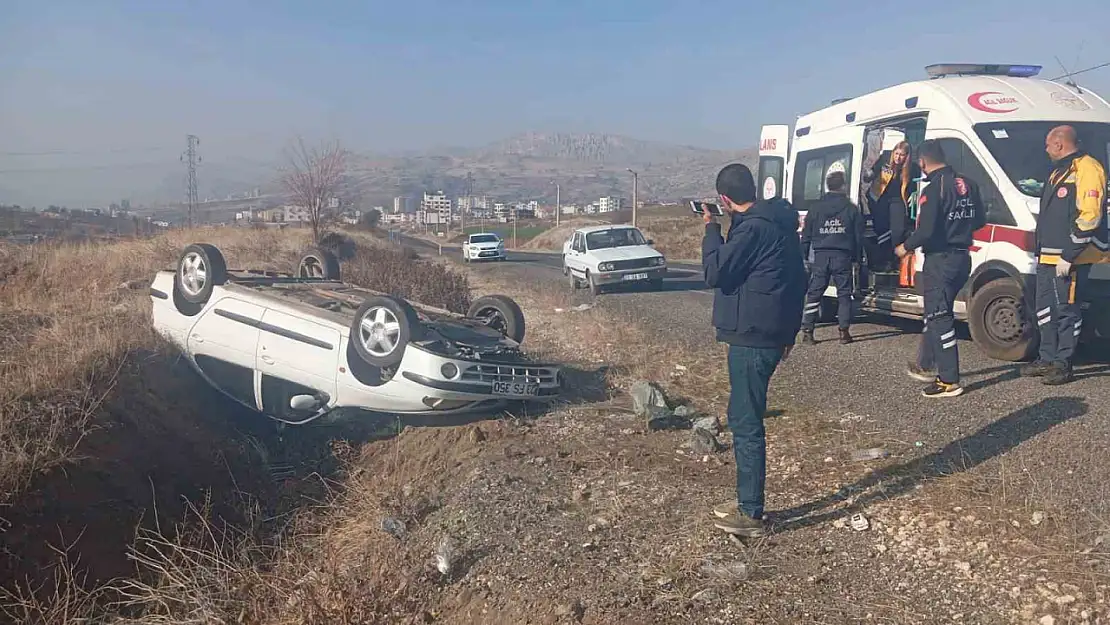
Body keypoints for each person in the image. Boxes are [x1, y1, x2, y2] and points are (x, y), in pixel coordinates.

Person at [701, 163, 807, 537]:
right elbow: (798, 281)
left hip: (752, 336)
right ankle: (749, 501)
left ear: (725, 200)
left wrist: (712, 229)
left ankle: (750, 512)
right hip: (771, 334)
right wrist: (790, 332)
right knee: (747, 416)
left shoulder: (753, 230)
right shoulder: (778, 225)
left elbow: (715, 272)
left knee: (745, 421)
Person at [896, 139, 985, 398]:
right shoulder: (969, 184)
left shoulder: (933, 189)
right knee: (936, 313)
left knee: (939, 316)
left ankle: (948, 380)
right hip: (962, 258)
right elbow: (979, 219)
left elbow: (926, 230)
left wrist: (905, 247)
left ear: (922, 162)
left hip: (940, 260)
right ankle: (927, 364)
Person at [1020, 125, 1109, 385]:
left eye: (1048, 145)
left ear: (1059, 144)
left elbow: (1090, 216)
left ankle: (1064, 363)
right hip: (1048, 256)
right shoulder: (1059, 170)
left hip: (1071, 257)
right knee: (1045, 310)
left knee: (1067, 310)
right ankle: (1047, 357)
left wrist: (1070, 254)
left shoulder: (1088, 168)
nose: (1046, 150)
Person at [798, 170, 865, 345]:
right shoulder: (851, 209)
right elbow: (858, 236)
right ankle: (843, 332)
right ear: (843, 186)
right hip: (842, 256)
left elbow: (806, 234)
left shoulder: (815, 208)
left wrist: (803, 256)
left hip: (820, 256)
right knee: (844, 294)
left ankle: (808, 332)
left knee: (814, 294)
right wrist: (857, 259)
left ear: (827, 186)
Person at [864, 141, 917, 272]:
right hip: (880, 199)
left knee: (897, 231)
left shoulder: (912, 168)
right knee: (881, 230)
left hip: (898, 201)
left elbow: (917, 184)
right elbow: (871, 174)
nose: (898, 158)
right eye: (896, 154)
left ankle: (894, 259)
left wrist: (915, 194)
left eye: (902, 155)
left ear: (907, 156)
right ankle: (884, 260)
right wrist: (869, 174)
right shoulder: (884, 160)